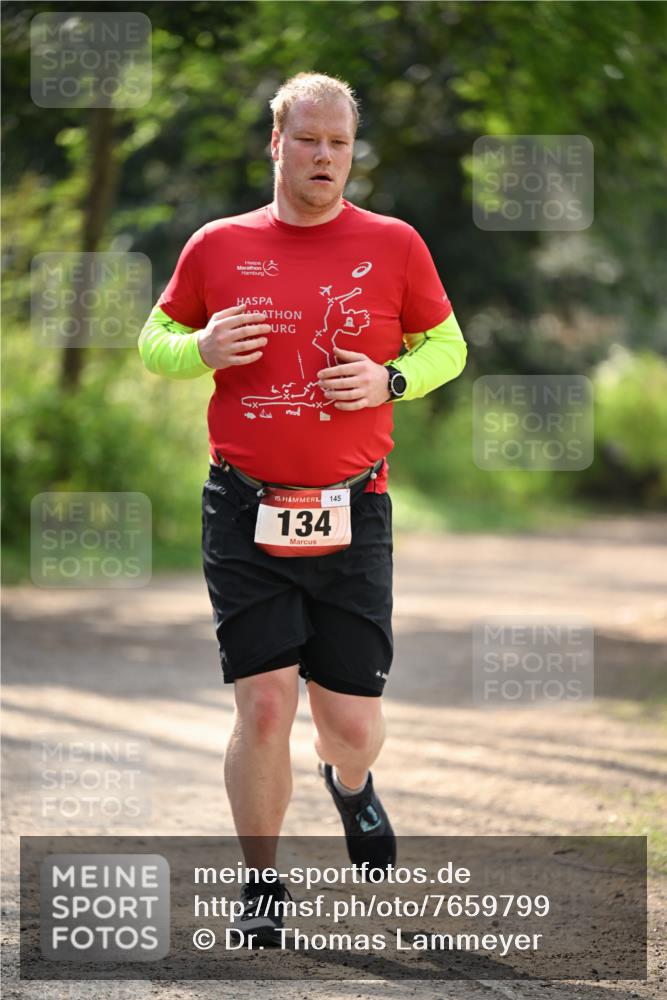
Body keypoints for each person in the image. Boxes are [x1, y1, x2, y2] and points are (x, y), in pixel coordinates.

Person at [138, 71, 467, 944]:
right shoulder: (216, 245)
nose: (325, 157)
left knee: (348, 723)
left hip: (354, 511)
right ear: (275, 144)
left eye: (339, 143)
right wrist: (200, 345)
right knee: (266, 706)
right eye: (308, 139)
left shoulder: (395, 243)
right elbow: (155, 340)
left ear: (352, 152)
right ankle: (262, 886)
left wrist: (389, 377)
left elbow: (448, 346)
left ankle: (351, 785)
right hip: (242, 507)